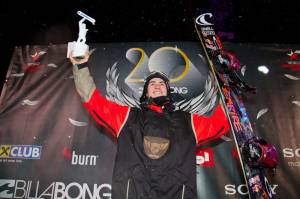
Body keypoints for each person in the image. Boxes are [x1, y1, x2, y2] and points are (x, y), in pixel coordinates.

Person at [69, 51, 229, 199]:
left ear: (168, 91)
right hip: (132, 192)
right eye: (152, 83)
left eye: (162, 83)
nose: (157, 85)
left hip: (176, 193)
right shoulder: (127, 116)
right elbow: (92, 100)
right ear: (146, 92)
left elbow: (220, 123)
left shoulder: (189, 121)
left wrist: (228, 87)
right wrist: (80, 66)